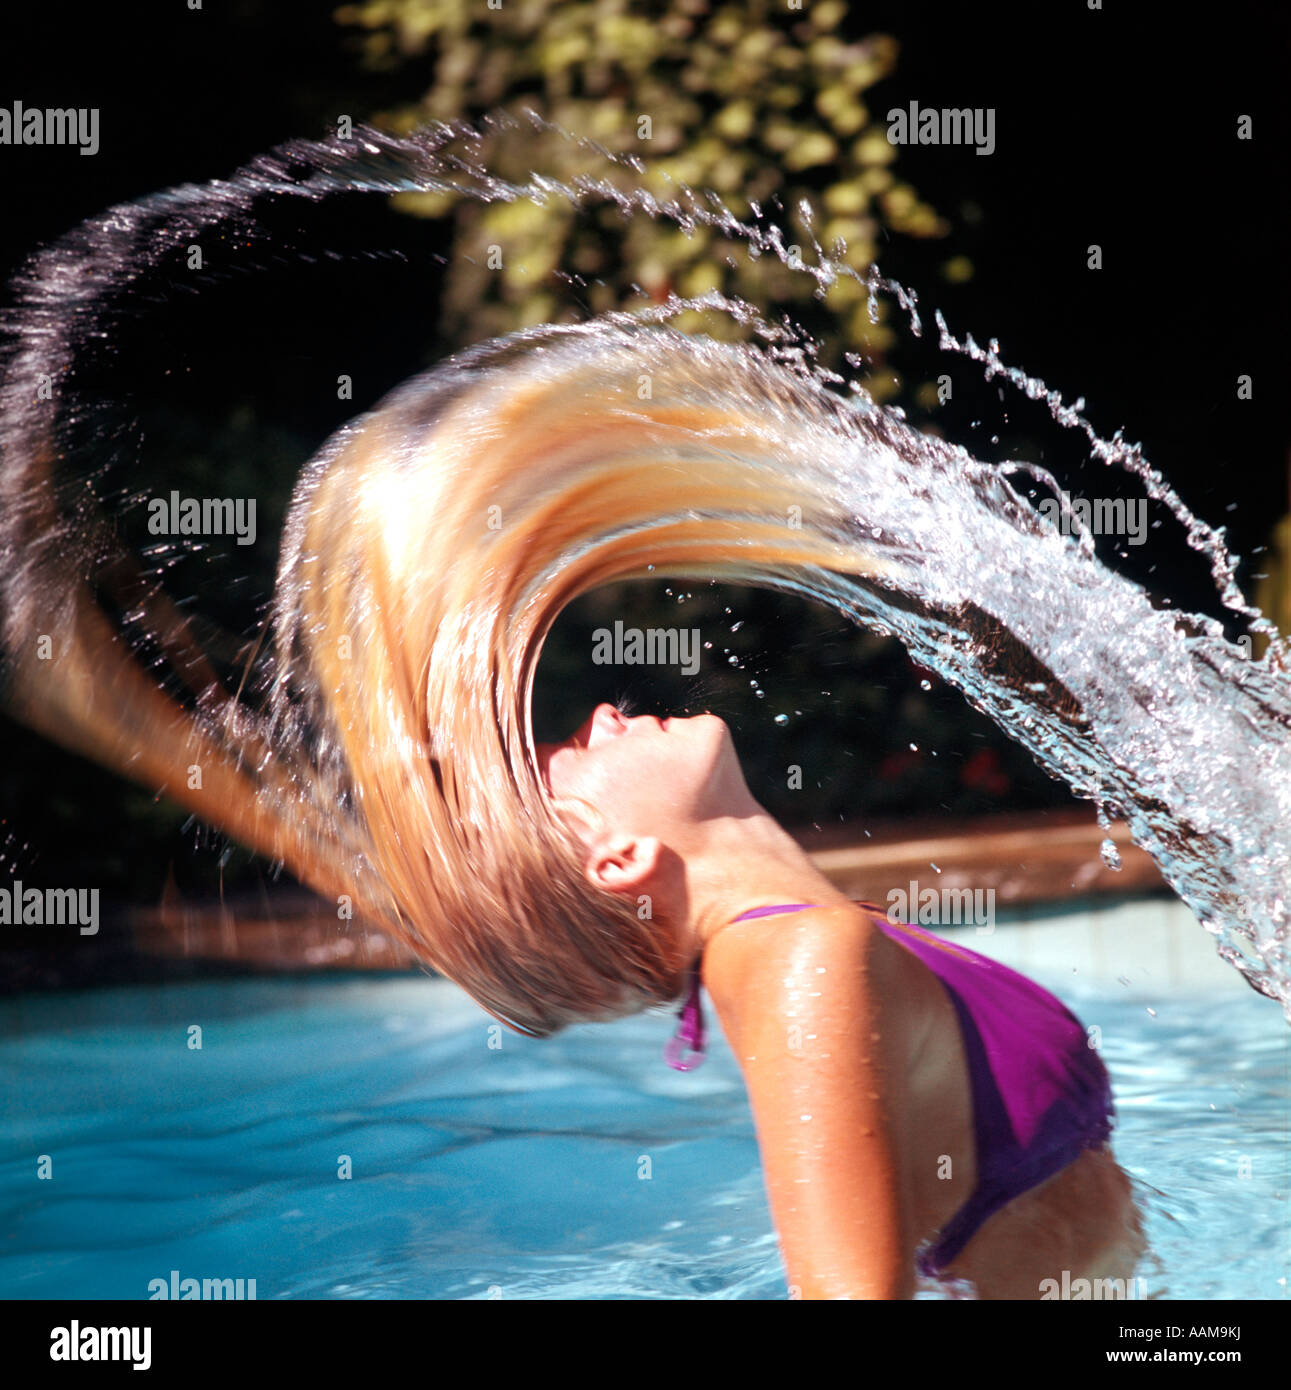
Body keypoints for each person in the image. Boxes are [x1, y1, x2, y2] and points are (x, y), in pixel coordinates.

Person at [535, 701, 1147, 1299]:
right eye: (570, 749)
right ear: (620, 859)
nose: (600, 715)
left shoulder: (826, 934)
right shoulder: (803, 958)